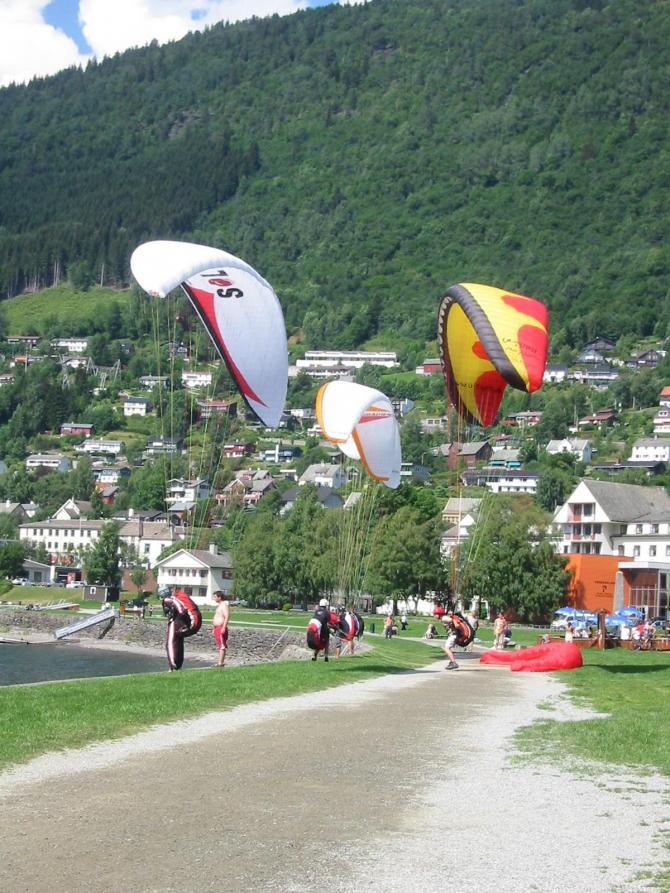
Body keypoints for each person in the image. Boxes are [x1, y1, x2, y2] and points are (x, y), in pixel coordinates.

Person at [158, 586, 202, 671]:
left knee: (170, 644)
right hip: (181, 623)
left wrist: (174, 616)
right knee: (179, 644)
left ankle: (172, 665)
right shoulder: (175, 599)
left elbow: (180, 610)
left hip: (175, 623)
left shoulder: (168, 600)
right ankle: (179, 665)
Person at [212, 590, 230, 667]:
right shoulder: (219, 606)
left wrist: (223, 627)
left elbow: (226, 617)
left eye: (215, 597)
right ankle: (220, 661)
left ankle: (220, 663)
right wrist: (214, 628)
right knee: (220, 644)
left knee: (222, 645)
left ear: (219, 597)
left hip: (221, 627)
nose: (214, 598)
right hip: (217, 628)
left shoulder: (224, 605)